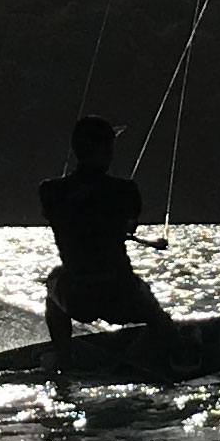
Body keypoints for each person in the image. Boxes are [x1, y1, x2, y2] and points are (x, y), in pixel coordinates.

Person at [38, 115, 190, 371]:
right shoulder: (125, 190)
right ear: (104, 149)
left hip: (79, 297)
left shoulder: (50, 191)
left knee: (54, 283)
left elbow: (58, 214)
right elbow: (130, 223)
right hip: (121, 296)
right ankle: (178, 347)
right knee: (144, 297)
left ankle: (63, 359)